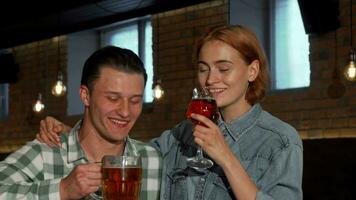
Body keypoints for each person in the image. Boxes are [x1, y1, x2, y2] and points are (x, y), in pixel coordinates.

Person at [37, 25, 303, 200]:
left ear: (252, 71)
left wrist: (226, 158)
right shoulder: (182, 134)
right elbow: (125, 156)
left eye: (223, 68)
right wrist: (77, 131)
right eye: (203, 68)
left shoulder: (280, 140)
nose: (211, 79)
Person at [0, 46, 162, 200]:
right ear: (85, 96)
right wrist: (63, 190)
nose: (125, 112)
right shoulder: (47, 153)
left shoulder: (152, 159)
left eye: (135, 100)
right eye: (113, 98)